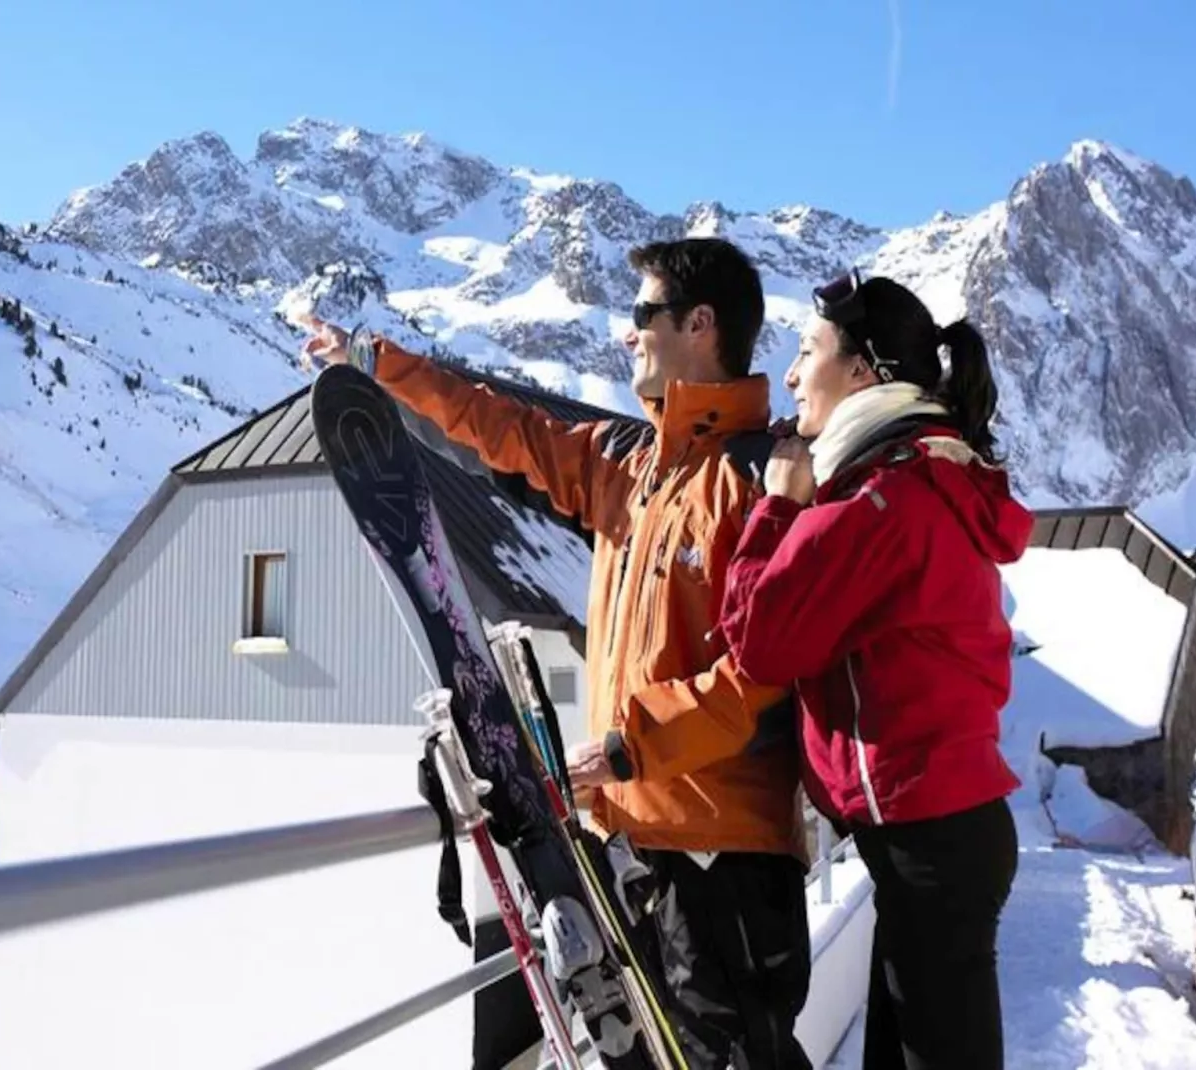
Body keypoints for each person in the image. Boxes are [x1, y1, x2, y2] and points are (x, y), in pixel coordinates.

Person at [302, 237, 813, 1070]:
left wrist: (625, 751)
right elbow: (503, 429)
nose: (627, 334)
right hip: (631, 846)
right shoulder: (632, 469)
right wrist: (375, 364)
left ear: (701, 324)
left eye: (643, 314)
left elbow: (759, 678)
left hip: (727, 862)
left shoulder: (764, 480)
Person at [717, 268, 1031, 1070]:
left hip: (930, 842)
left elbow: (759, 638)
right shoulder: (928, 477)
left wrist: (778, 505)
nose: (789, 375)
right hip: (936, 838)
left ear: (864, 372)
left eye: (807, 350)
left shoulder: (881, 501)